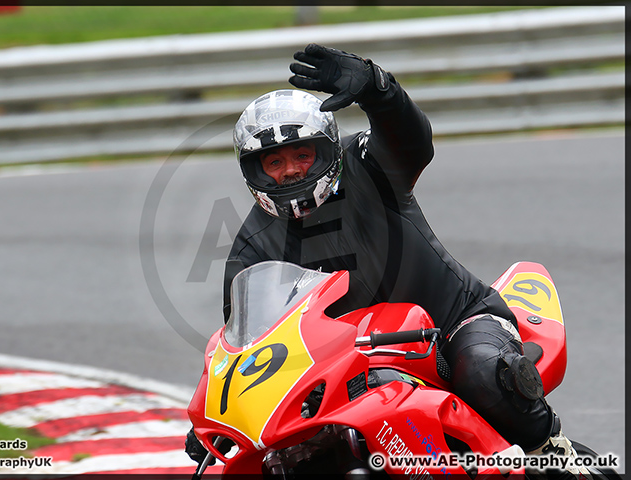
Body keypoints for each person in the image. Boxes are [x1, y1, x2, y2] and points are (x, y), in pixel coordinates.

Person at [186, 43, 587, 478]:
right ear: (254, 172)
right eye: (274, 162)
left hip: (451, 323)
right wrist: (222, 412)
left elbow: (412, 140)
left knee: (484, 373)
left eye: (303, 155)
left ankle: (554, 451)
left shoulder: (368, 166)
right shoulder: (250, 249)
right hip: (354, 367)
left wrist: (379, 89)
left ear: (327, 151)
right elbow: (250, 346)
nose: (291, 171)